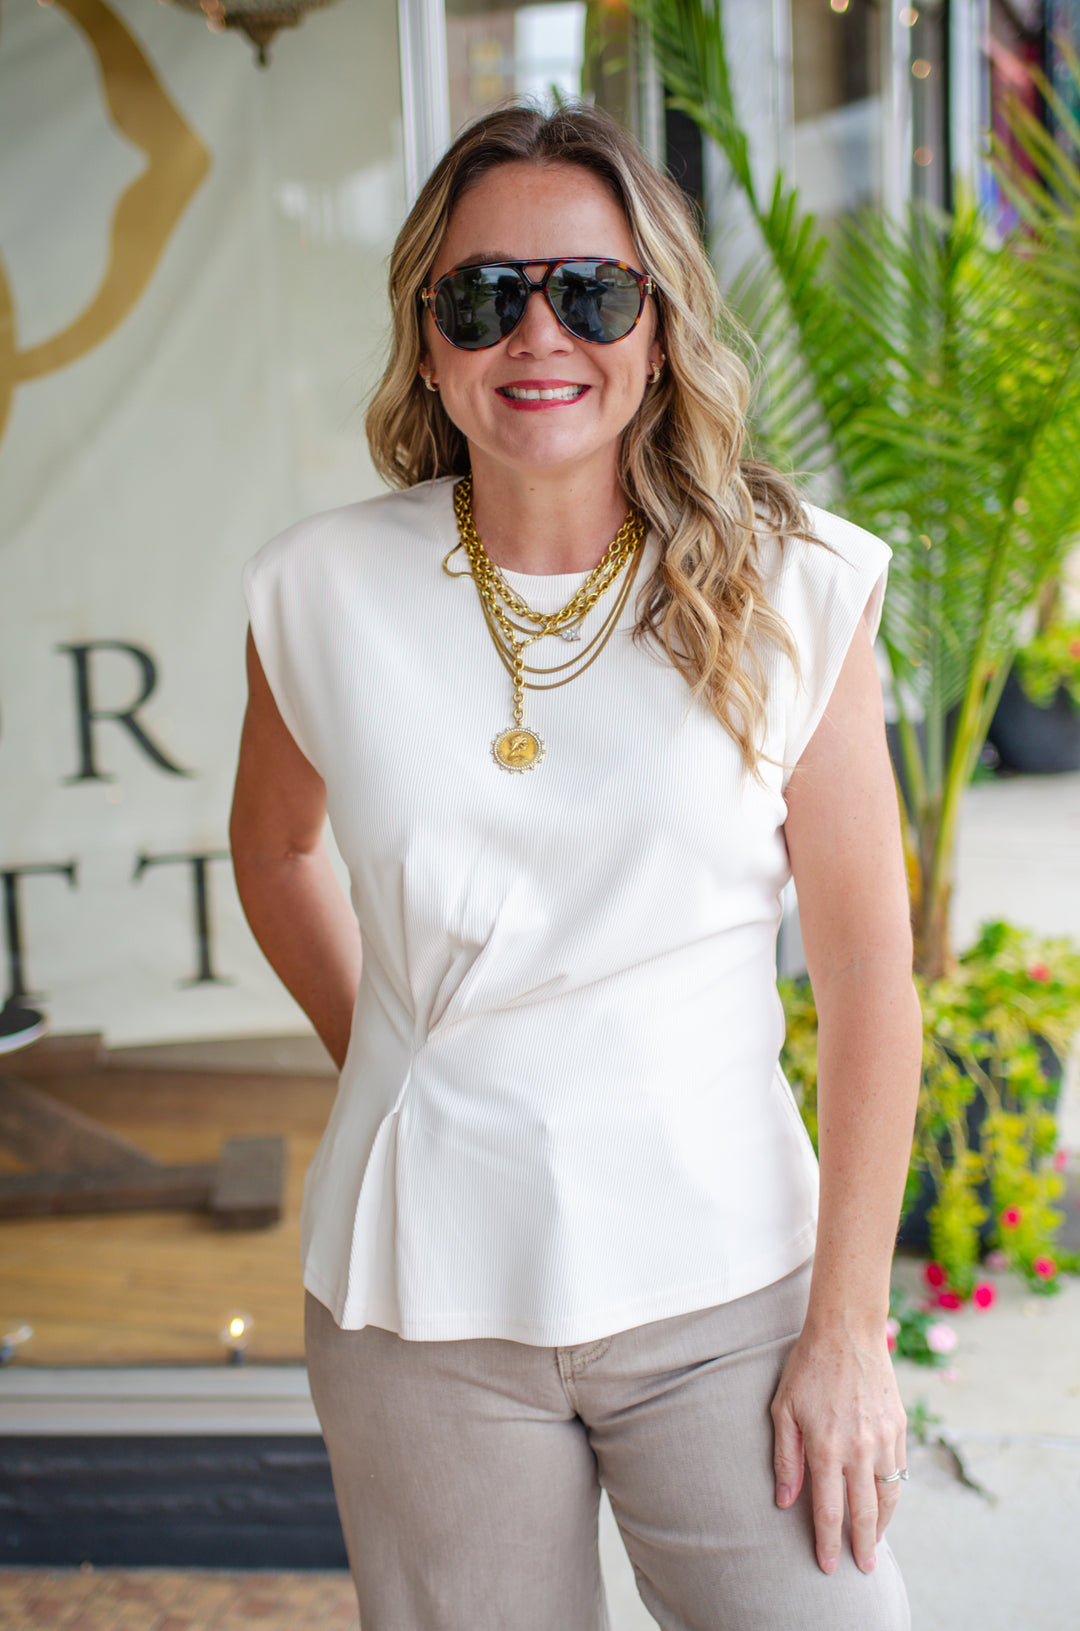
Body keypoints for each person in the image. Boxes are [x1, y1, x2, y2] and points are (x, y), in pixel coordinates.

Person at [230, 101, 921, 1631]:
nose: (539, 334)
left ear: (659, 331)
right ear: (428, 340)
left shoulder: (796, 585)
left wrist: (849, 1331)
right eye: (485, 296)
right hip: (420, 1305)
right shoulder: (320, 589)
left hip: (729, 1282)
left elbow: (873, 967)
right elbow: (275, 851)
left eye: (593, 292)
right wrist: (391, 1063)